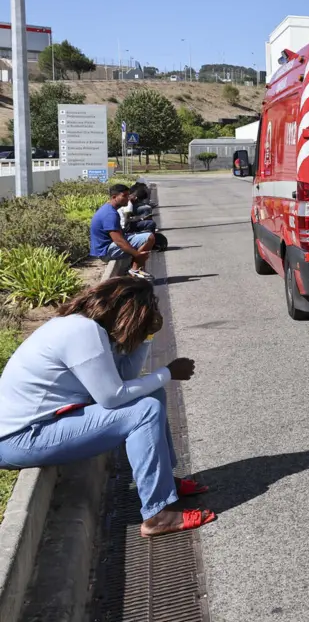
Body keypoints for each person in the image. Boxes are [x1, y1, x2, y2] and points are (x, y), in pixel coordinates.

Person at [0, 277, 216, 538]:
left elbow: (125, 379)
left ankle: (164, 483)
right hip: (20, 438)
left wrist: (146, 337)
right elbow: (112, 398)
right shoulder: (82, 332)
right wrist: (168, 373)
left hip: (37, 428)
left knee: (152, 393)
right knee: (145, 410)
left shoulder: (86, 326)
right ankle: (157, 515)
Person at [91, 184, 155, 280]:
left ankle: (134, 269)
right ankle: (135, 270)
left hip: (107, 247)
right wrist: (136, 254)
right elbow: (119, 241)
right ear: (114, 197)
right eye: (124, 196)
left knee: (139, 237)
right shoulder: (110, 214)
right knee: (149, 237)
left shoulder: (109, 209)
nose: (127, 199)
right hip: (106, 251)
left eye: (128, 195)